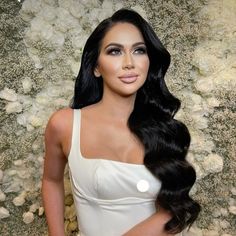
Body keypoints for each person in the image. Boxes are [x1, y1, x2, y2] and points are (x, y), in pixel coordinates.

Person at [42, 8, 201, 236]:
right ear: (96, 66)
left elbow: (172, 211)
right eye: (115, 51)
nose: (129, 63)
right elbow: (51, 180)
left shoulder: (166, 131)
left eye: (138, 50)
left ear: (149, 61)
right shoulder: (65, 124)